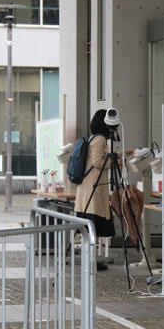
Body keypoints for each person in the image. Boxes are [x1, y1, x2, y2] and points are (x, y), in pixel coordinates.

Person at [74, 109, 115, 270]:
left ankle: (90, 260)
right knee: (94, 226)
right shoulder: (100, 139)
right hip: (94, 189)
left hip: (88, 188)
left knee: (91, 226)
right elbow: (98, 162)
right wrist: (116, 163)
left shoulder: (93, 138)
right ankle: (91, 261)